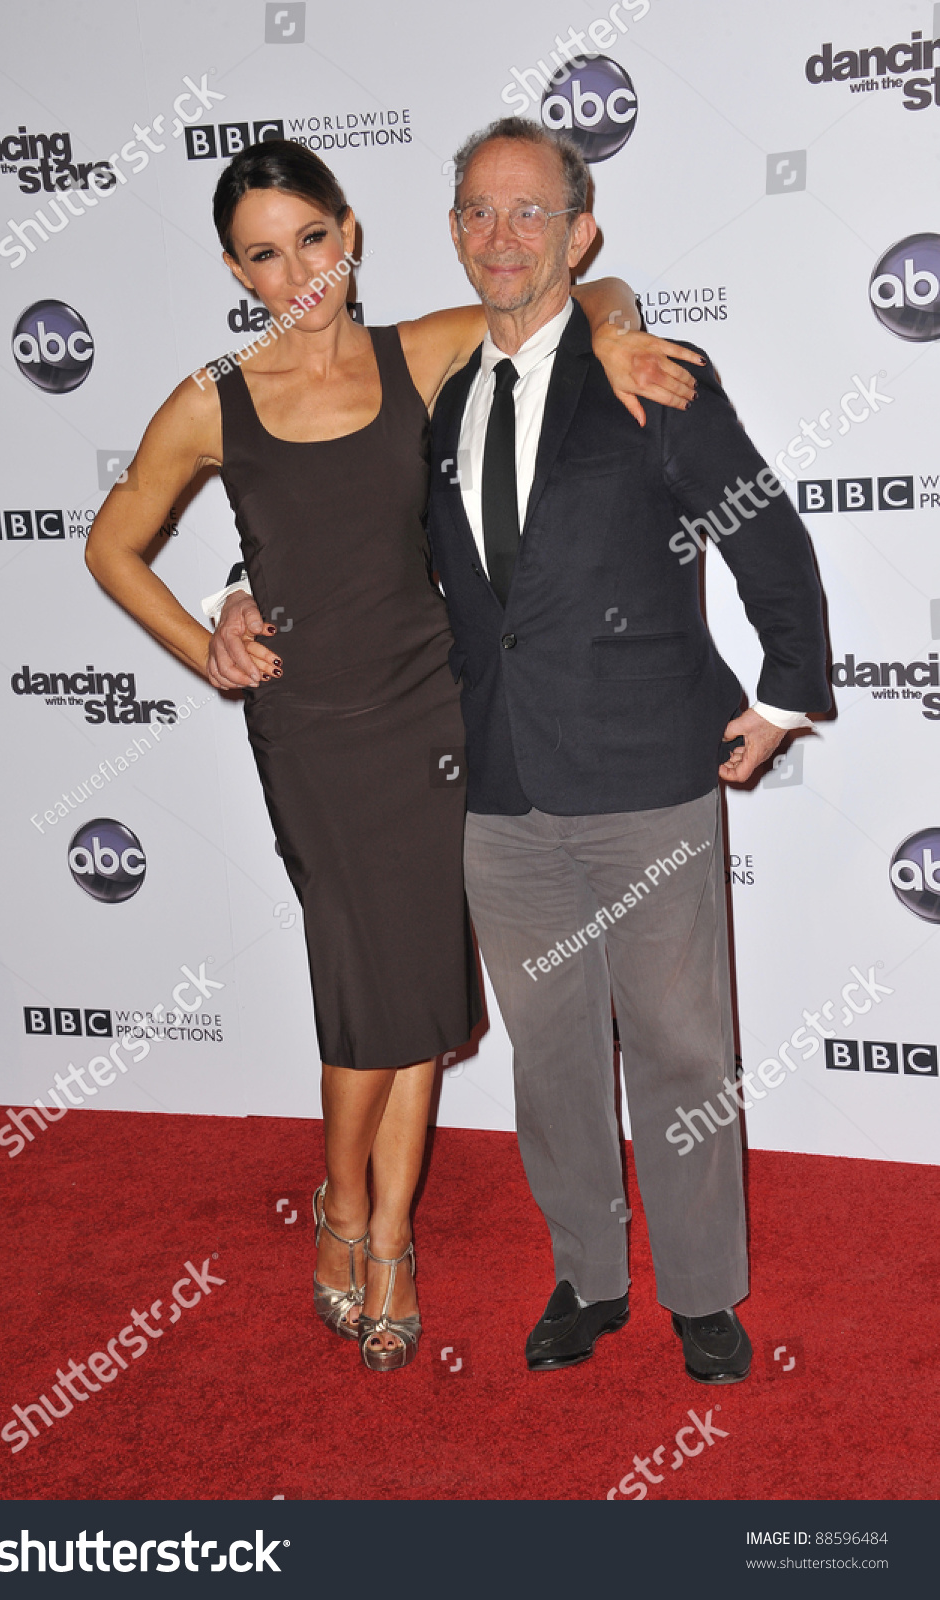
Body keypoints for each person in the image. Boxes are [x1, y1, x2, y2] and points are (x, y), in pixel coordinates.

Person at [88, 139, 700, 1373]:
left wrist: (620, 330)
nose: (296, 271)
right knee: (364, 988)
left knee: (417, 993)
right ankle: (339, 1204)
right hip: (311, 727)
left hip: (429, 706)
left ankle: (387, 1239)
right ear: (234, 267)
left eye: (311, 238)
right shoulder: (214, 396)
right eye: (264, 254)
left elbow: (576, 294)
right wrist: (207, 636)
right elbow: (112, 545)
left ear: (350, 229)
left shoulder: (413, 350)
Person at [417, 116, 832, 1382]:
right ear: (453, 232)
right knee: (548, 1060)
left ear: (578, 232)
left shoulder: (646, 369)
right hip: (500, 789)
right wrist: (230, 580)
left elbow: (765, 535)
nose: (501, 235)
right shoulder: (436, 401)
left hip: (649, 774)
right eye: (478, 212)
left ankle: (700, 1293)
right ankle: (586, 1277)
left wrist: (782, 700)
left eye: (529, 212)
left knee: (680, 1049)